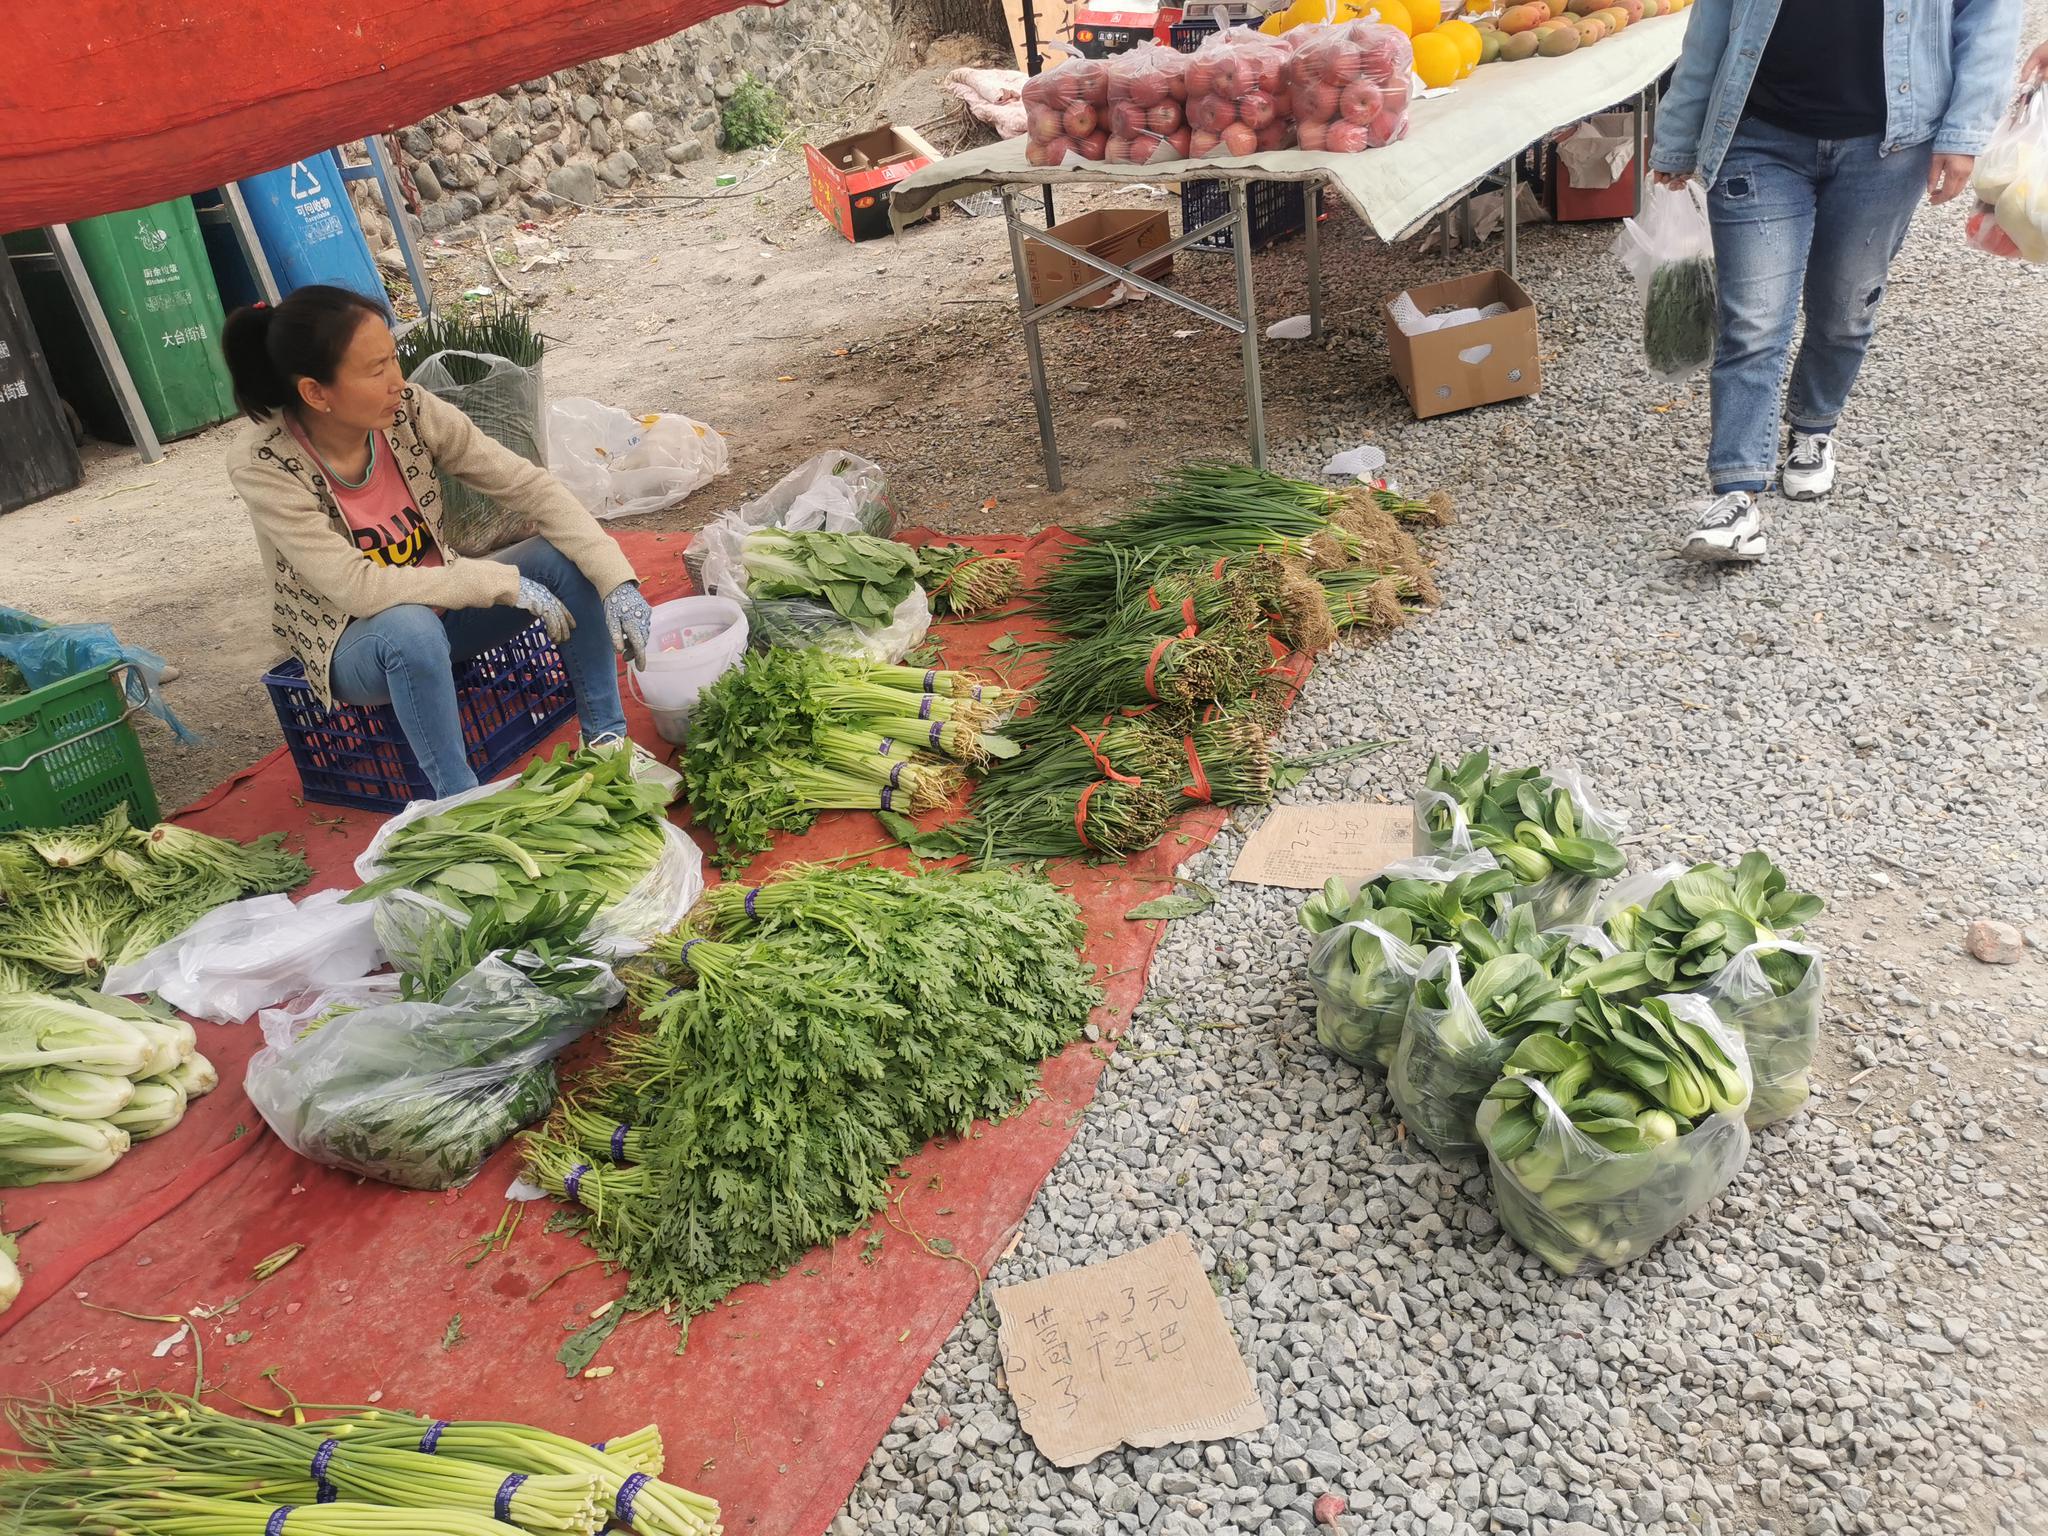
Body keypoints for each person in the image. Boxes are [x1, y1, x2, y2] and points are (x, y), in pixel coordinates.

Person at [223, 284, 661, 797]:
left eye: (393, 358)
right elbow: (354, 587)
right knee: (409, 630)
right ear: (316, 393)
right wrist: (499, 582)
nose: (397, 381)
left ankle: (608, 742)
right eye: (375, 369)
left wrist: (616, 579)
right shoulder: (265, 463)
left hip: (444, 609)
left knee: (564, 557)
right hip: (353, 642)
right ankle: (462, 803)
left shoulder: (409, 411)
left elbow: (528, 485)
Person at [1648, 0, 2023, 563]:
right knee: (1752, 320)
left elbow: (1990, 18)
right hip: (1757, 133)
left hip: (1888, 145)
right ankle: (1737, 494)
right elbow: (1711, 23)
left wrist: (1963, 132)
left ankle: (1814, 424)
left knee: (1845, 307)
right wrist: (1678, 134)